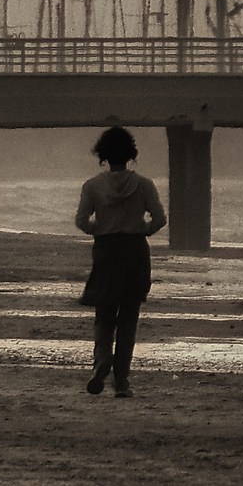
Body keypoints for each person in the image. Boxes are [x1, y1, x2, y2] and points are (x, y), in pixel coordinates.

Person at [74, 126, 165, 397]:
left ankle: (102, 361)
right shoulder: (145, 185)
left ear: (103, 155)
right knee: (128, 317)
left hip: (106, 251)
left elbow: (81, 221)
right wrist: (142, 231)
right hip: (135, 251)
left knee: (104, 313)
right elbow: (160, 219)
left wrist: (99, 230)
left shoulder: (92, 186)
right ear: (131, 154)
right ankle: (122, 382)